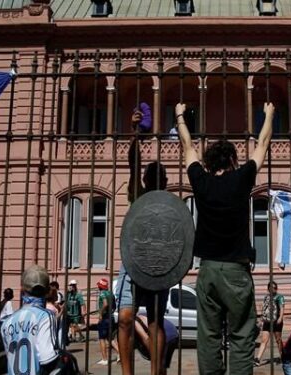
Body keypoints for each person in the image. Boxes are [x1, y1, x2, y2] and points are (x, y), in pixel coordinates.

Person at [176, 101, 275, 374]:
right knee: (242, 334)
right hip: (236, 270)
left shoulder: (201, 180)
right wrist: (268, 115)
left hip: (207, 269)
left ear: (208, 163)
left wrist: (179, 116)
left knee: (208, 335)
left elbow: (187, 148)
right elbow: (263, 143)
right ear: (233, 160)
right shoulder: (242, 178)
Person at [115, 106, 172, 375]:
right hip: (132, 262)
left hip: (159, 265)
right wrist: (135, 133)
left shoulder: (170, 205)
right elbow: (133, 163)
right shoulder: (139, 194)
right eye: (152, 176)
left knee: (155, 321)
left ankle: (155, 372)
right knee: (125, 318)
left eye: (160, 176)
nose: (155, 179)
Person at [0, 265, 59, 374]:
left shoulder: (7, 322)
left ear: (22, 288)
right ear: (46, 290)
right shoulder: (45, 316)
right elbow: (48, 359)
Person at [254, 281, 285, 366]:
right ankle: (257, 359)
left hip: (276, 321)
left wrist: (280, 318)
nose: (273, 289)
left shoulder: (280, 297)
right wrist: (261, 319)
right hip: (267, 321)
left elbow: (282, 308)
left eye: (275, 288)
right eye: (271, 288)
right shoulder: (266, 297)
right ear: (268, 288)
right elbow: (264, 309)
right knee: (264, 340)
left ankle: (283, 357)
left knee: (278, 340)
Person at [95, 278, 116, 365]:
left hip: (104, 318)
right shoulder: (111, 293)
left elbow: (105, 304)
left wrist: (100, 313)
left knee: (102, 339)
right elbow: (114, 306)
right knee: (110, 338)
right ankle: (120, 355)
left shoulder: (102, 293)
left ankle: (104, 359)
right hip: (111, 318)